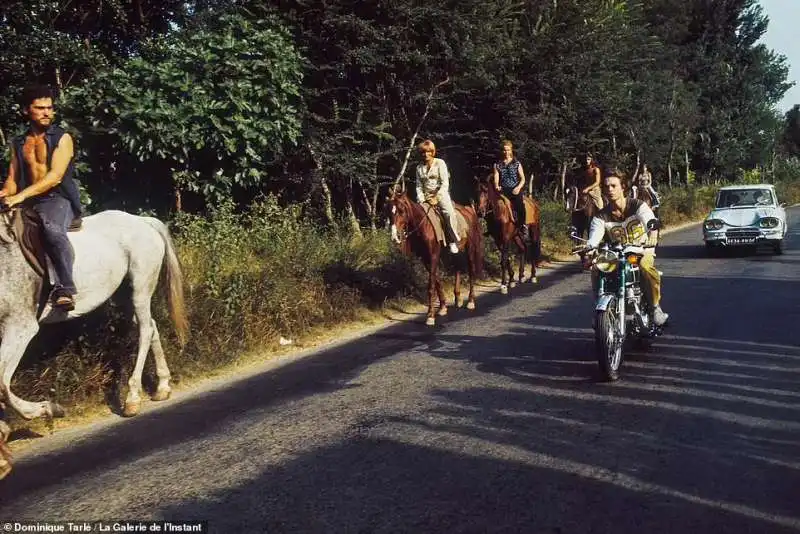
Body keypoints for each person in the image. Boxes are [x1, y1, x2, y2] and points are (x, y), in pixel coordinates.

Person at [0, 85, 83, 311]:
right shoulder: (18, 142)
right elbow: (12, 179)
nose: (47, 112)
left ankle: (65, 288)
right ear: (27, 111)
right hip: (29, 201)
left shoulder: (62, 138)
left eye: (50, 108)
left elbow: (54, 177)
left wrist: (18, 197)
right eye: (40, 108)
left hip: (58, 199)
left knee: (51, 229)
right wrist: (5, 193)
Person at [585, 168, 669, 326]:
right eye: (606, 186)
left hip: (639, 250)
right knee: (597, 267)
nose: (609, 189)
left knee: (645, 267)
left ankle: (655, 307)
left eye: (614, 186)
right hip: (616, 254)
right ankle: (600, 307)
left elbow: (649, 220)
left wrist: (652, 233)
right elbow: (594, 236)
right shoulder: (600, 216)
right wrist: (590, 249)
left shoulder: (637, 205)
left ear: (623, 187)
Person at [415, 139, 460, 254]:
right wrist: (421, 199)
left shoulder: (440, 163)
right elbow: (419, 186)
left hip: (441, 195)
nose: (426, 154)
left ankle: (453, 239)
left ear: (432, 152)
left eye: (428, 151)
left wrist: (436, 198)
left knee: (449, 213)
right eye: (423, 152)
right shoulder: (419, 168)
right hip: (425, 197)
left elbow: (445, 183)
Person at [492, 140, 527, 236]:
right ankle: (493, 227)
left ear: (511, 150)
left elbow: (523, 179)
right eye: (504, 150)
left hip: (515, 189)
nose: (506, 152)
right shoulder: (497, 165)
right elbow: (496, 177)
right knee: (493, 206)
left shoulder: (517, 163)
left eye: (508, 150)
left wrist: (518, 188)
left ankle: (522, 225)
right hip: (503, 190)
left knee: (520, 205)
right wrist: (496, 186)